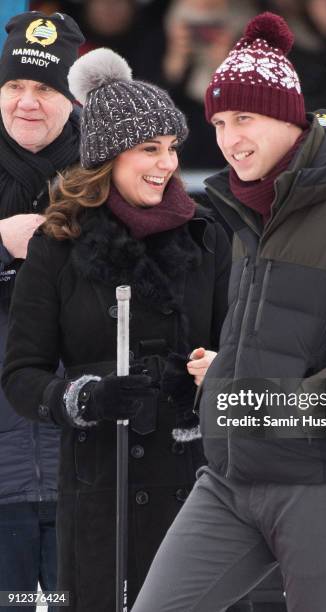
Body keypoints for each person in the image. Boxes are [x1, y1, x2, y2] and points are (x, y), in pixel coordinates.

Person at [132, 12, 326, 612]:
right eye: (219, 121)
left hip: (325, 484)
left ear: (288, 117)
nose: (227, 137)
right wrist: (226, 379)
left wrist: (301, 406)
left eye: (244, 117)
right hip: (230, 476)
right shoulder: (250, 214)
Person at [1, 47, 232, 612]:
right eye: (149, 149)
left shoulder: (207, 239)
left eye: (172, 149)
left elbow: (241, 350)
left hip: (195, 482)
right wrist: (88, 396)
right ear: (107, 156)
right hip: (100, 486)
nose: (167, 164)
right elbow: (22, 376)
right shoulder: (57, 248)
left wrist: (203, 377)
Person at [0, 10, 84, 609]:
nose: (26, 102)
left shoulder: (110, 167)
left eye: (45, 88)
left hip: (79, 463)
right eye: (13, 86)